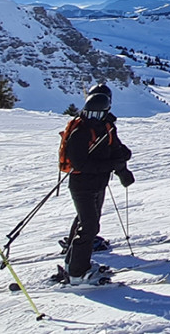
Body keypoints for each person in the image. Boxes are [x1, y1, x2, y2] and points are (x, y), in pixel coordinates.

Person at [59, 86, 134, 285]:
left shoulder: (106, 126)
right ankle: (77, 273)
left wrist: (122, 169)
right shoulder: (81, 132)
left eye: (97, 113)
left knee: (88, 222)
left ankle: (72, 263)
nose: (93, 116)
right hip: (82, 185)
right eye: (90, 113)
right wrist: (113, 165)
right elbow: (80, 164)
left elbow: (116, 149)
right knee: (89, 226)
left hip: (98, 183)